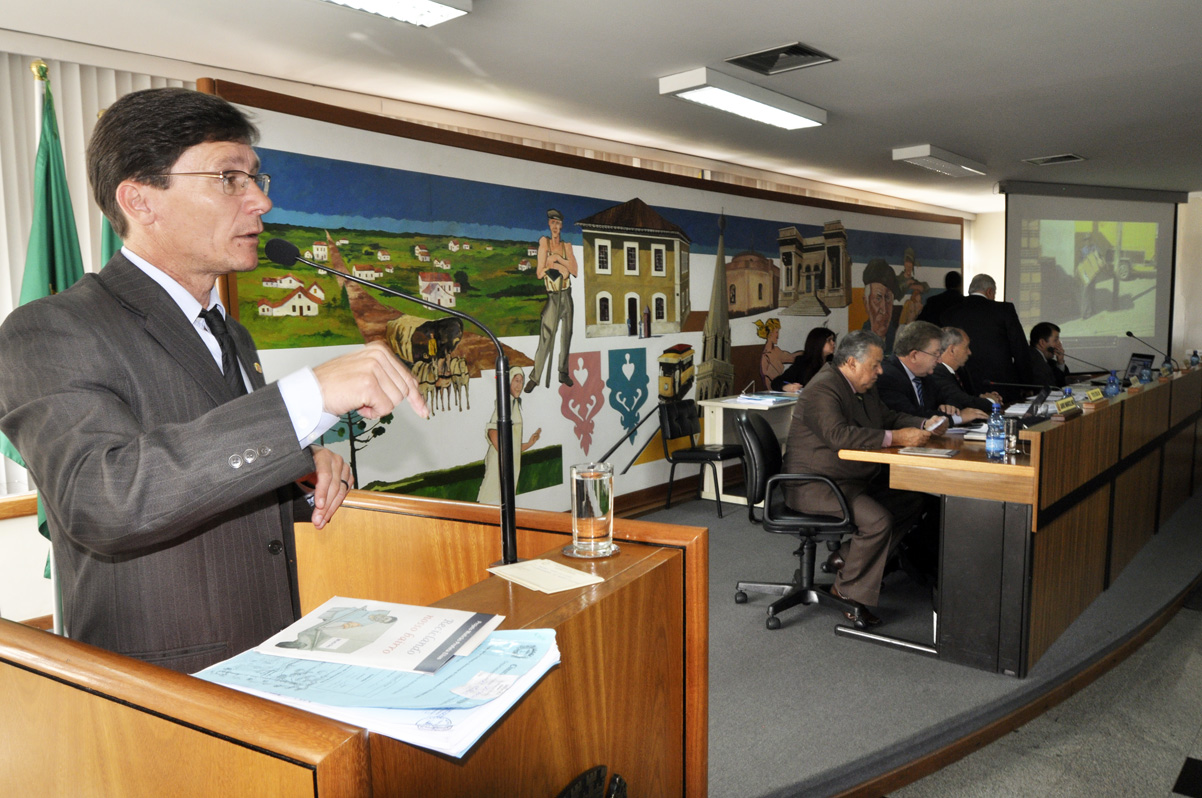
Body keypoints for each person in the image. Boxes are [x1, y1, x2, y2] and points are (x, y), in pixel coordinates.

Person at [0, 87, 428, 674]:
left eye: (257, 178)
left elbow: (220, 472)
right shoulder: (51, 329)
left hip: (272, 654)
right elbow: (104, 500)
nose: (259, 202)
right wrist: (303, 400)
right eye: (229, 178)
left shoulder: (232, 333)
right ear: (140, 200)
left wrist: (298, 470)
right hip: (166, 688)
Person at [784, 330, 947, 625]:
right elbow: (839, 436)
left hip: (849, 478)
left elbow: (888, 417)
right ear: (850, 362)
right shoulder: (823, 389)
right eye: (874, 365)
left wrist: (925, 423)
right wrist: (896, 437)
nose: (880, 371)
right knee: (877, 520)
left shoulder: (864, 386)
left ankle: (848, 558)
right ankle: (847, 593)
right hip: (814, 484)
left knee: (912, 500)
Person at [940, 274, 1032, 401]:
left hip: (965, 385)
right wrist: (1026, 384)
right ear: (990, 291)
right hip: (1002, 384)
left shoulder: (949, 313)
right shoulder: (1004, 310)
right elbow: (1020, 349)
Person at [876, 320, 983, 423]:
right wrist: (957, 418)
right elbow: (910, 416)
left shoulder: (924, 375)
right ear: (914, 355)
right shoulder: (887, 376)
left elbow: (951, 398)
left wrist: (949, 407)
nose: (940, 360)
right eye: (935, 354)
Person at [525, 208, 579, 392]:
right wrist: (555, 264)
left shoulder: (567, 246)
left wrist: (557, 259)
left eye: (558, 223)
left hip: (566, 294)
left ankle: (563, 373)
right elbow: (540, 273)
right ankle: (535, 376)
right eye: (553, 223)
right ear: (549, 224)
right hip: (553, 296)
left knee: (566, 335)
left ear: (561, 225)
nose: (556, 227)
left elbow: (574, 270)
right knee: (546, 336)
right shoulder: (544, 243)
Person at [478, 366, 541, 504]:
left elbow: (512, 447)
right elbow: (492, 430)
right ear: (508, 382)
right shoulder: (506, 402)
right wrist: (505, 457)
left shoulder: (514, 404)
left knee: (502, 501)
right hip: (499, 465)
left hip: (509, 466)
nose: (519, 386)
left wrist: (530, 443)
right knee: (490, 499)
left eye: (522, 382)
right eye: (516, 381)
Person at [927, 327, 1003, 414]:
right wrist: (992, 401)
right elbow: (963, 402)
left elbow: (967, 397)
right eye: (966, 347)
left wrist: (982, 398)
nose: (969, 352)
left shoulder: (959, 371)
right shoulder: (937, 372)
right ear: (952, 350)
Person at [771, 327, 835, 392]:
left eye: (833, 340)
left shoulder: (836, 363)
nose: (833, 343)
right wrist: (787, 387)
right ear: (818, 342)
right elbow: (776, 382)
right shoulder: (802, 362)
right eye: (829, 340)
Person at [861, 259, 901, 355]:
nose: (884, 309)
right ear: (866, 303)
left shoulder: (900, 341)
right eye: (877, 299)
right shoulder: (859, 342)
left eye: (887, 298)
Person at [756, 317, 795, 389]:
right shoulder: (766, 355)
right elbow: (766, 379)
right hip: (773, 393)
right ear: (770, 333)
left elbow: (791, 357)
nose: (778, 336)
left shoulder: (776, 350)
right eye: (776, 332)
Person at [1029, 321, 1069, 388]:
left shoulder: (1049, 362)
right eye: (1055, 340)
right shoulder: (1032, 361)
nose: (1059, 344)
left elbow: (1064, 382)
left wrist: (1060, 362)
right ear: (1042, 342)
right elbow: (1053, 388)